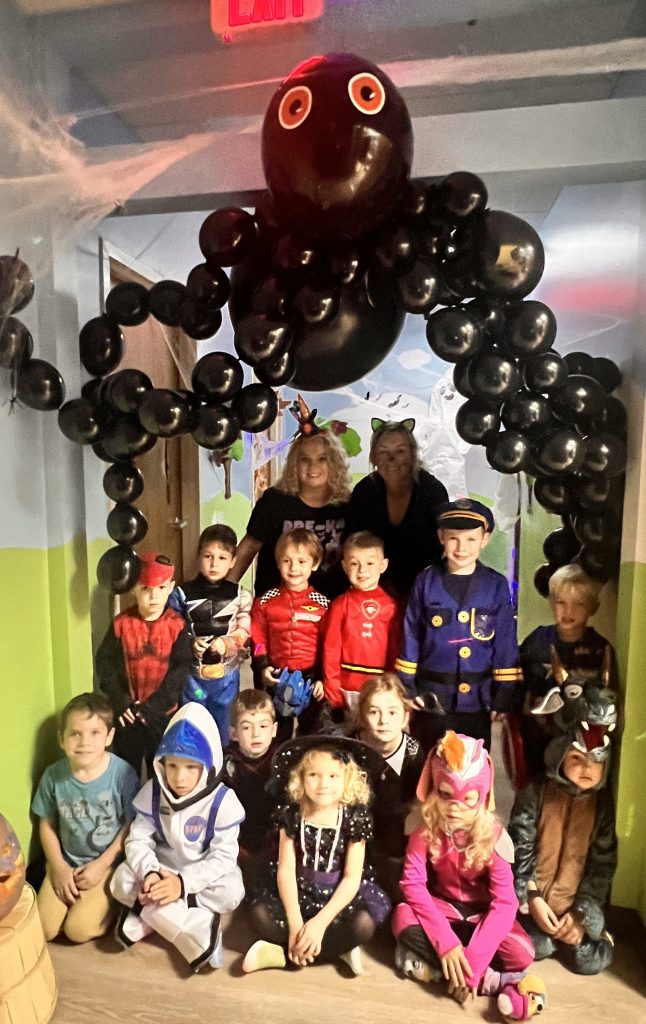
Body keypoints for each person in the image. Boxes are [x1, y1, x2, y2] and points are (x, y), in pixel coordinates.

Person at [392, 731, 544, 1018]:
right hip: (444, 910)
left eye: (468, 798)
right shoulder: (422, 826)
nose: (455, 807)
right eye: (445, 794)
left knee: (523, 952)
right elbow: (412, 884)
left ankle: (447, 970)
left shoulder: (495, 836)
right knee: (402, 918)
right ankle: (487, 979)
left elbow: (505, 904)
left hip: (481, 916)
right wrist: (446, 943)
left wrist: (473, 963)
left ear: (483, 796)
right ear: (433, 786)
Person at [110, 702, 245, 971]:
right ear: (161, 763)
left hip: (200, 872)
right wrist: (150, 873)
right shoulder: (154, 791)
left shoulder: (222, 801)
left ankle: (151, 914)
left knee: (231, 892)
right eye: (172, 765)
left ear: (209, 765)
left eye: (191, 767)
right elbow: (137, 840)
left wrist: (182, 885)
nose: (179, 778)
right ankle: (194, 927)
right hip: (162, 867)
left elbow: (224, 857)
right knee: (120, 881)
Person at [241, 735, 391, 976]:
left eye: (333, 776)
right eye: (313, 775)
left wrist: (319, 924)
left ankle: (283, 954)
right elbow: (286, 869)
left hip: (337, 898)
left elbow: (352, 877)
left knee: (363, 925)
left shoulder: (355, 817)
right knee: (257, 914)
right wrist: (295, 924)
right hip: (297, 892)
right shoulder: (291, 813)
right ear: (300, 777)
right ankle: (326, 948)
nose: (323, 784)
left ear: (348, 778)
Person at [395, 498, 522, 751]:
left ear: (485, 539)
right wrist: (406, 686)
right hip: (432, 699)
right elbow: (411, 634)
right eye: (454, 538)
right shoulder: (426, 581)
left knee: (473, 765)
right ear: (441, 537)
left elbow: (505, 641)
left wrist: (505, 691)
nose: (462, 548)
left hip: (477, 700)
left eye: (471, 539)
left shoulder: (496, 585)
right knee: (429, 761)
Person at [508, 727, 617, 976]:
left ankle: (588, 936)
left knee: (589, 962)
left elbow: (602, 865)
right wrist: (532, 896)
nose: (587, 768)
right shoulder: (537, 790)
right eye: (577, 758)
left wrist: (581, 915)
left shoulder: (602, 805)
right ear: (559, 756)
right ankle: (547, 938)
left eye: (596, 761)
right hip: (534, 901)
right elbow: (519, 845)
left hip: (575, 906)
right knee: (535, 947)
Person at [31, 692, 139, 943]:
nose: (84, 742)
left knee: (77, 930)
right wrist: (58, 867)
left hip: (107, 864)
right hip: (66, 862)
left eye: (94, 733)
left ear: (109, 736)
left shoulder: (122, 774)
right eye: (75, 734)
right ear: (61, 739)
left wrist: (102, 866)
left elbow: (131, 825)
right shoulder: (53, 776)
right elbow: (46, 824)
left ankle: (117, 903)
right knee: (44, 929)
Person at [229, 400, 351, 600]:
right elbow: (249, 547)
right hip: (274, 607)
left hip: (332, 608)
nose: (313, 466)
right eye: (305, 459)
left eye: (322, 459)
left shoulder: (347, 506)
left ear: (334, 464)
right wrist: (225, 593)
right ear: (295, 463)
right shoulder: (275, 501)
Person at [95, 551, 192, 775]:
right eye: (145, 588)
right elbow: (105, 665)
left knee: (161, 770)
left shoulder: (177, 626)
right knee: (126, 771)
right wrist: (120, 701)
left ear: (171, 587)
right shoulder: (121, 625)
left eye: (161, 588)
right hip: (127, 715)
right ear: (134, 588)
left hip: (161, 715)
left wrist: (154, 707)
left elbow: (180, 671)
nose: (153, 596)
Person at [519, 563, 618, 776]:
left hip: (580, 735)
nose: (568, 611)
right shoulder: (537, 641)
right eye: (561, 602)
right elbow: (519, 683)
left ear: (593, 607)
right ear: (551, 603)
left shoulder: (600, 648)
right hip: (537, 729)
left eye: (579, 604)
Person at [345, 419, 448, 600]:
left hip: (424, 592)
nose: (391, 458)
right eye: (383, 452)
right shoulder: (364, 491)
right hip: (372, 591)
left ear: (412, 454)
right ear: (374, 457)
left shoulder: (432, 491)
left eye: (400, 451)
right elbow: (352, 545)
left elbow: (443, 549)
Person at [169, 524, 252, 747]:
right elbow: (171, 629)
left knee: (224, 725)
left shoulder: (241, 596)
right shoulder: (181, 594)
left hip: (227, 677)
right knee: (190, 722)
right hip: (192, 675)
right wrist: (189, 642)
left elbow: (246, 628)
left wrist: (229, 642)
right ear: (199, 556)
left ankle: (223, 763)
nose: (214, 564)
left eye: (222, 558)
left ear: (233, 561)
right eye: (208, 556)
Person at [250, 528, 328, 740]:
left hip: (311, 677)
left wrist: (323, 678)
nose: (294, 568)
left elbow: (328, 645)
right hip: (277, 675)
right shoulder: (265, 602)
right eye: (287, 561)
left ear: (314, 564)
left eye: (302, 561)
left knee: (311, 732)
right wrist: (262, 665)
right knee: (278, 731)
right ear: (278, 563)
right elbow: (258, 639)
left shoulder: (323, 605)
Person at [353, 673, 425, 901]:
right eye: (374, 712)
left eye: (392, 713)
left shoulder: (413, 753)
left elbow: (415, 806)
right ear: (362, 716)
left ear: (405, 718)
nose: (384, 721)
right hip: (356, 834)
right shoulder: (352, 747)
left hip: (396, 837)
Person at [323, 532, 400, 717]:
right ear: (344, 566)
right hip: (346, 689)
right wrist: (332, 687)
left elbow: (395, 649)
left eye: (370, 563)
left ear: (383, 565)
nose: (362, 570)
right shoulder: (339, 605)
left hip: (379, 690)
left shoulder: (392, 606)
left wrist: (392, 685)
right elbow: (331, 649)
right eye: (354, 564)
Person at [222, 689, 279, 874]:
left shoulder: (281, 763)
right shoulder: (226, 764)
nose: (256, 734)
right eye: (246, 728)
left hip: (272, 842)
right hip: (235, 841)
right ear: (234, 733)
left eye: (263, 726)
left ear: (274, 730)